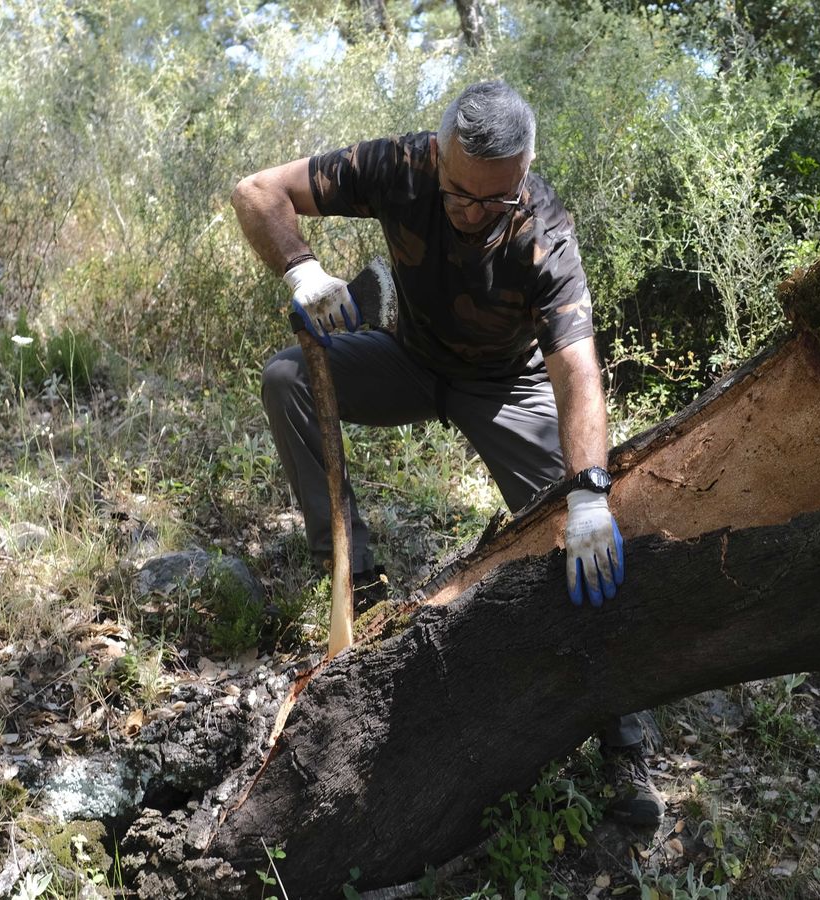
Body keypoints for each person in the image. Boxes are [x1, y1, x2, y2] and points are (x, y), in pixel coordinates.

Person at [230, 80, 664, 826]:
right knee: (287, 378)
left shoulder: (544, 231)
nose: (475, 213)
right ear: (438, 157)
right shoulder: (399, 166)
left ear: (524, 172)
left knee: (582, 542)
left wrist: (590, 491)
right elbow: (257, 191)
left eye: (497, 199)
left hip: (504, 386)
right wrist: (302, 267)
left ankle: (625, 739)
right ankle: (359, 584)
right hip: (410, 360)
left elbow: (577, 373)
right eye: (461, 194)